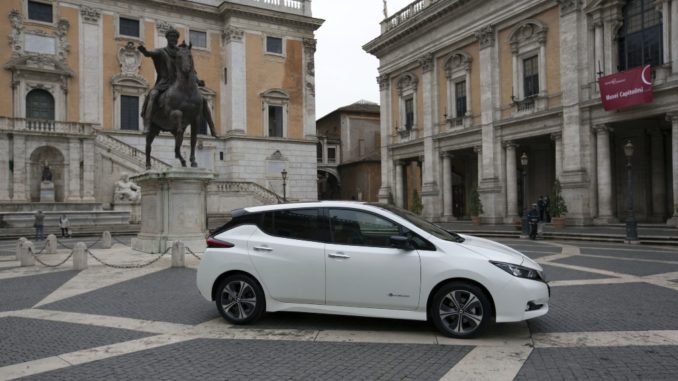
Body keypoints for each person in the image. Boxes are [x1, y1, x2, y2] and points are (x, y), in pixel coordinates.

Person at [138, 27, 206, 134]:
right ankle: (147, 124)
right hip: (164, 83)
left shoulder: (181, 53)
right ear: (167, 38)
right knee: (153, 94)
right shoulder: (162, 51)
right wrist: (145, 51)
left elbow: (189, 69)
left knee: (200, 99)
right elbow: (150, 53)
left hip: (179, 83)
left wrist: (197, 81)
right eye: (171, 37)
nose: (173, 39)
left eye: (175, 37)